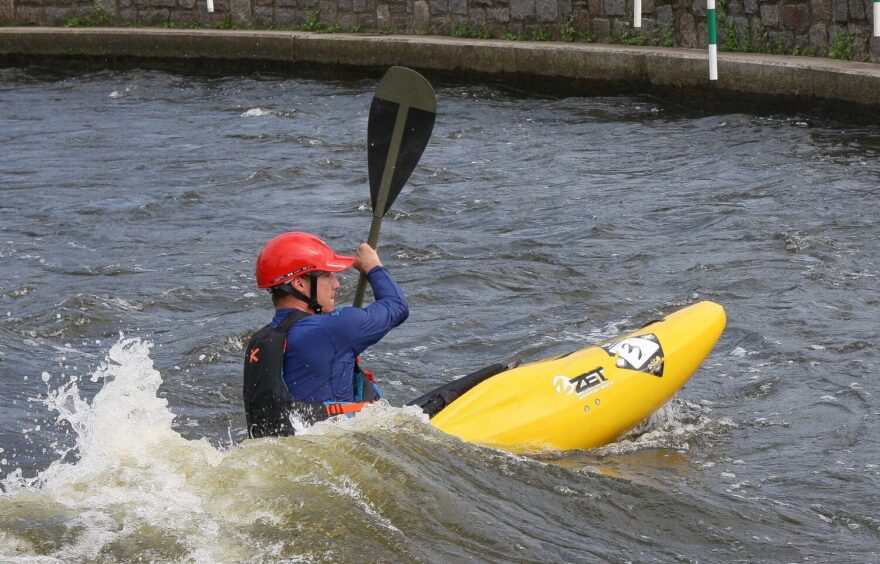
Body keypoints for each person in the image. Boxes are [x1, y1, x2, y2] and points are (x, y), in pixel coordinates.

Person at [243, 232, 408, 437]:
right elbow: (397, 306)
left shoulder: (262, 339)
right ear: (299, 284)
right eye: (326, 275)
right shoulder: (328, 329)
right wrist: (372, 266)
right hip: (339, 445)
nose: (336, 284)